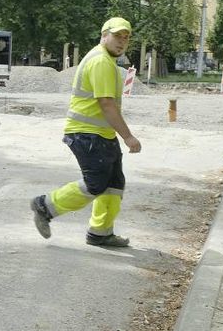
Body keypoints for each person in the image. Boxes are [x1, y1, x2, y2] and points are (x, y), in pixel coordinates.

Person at [30, 16, 142, 247]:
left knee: (113, 185)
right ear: (104, 36)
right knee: (95, 185)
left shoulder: (107, 61)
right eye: (116, 36)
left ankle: (100, 233)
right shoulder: (100, 61)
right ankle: (45, 206)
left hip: (100, 135)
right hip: (87, 135)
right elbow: (107, 104)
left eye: (125, 38)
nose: (121, 42)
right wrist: (128, 137)